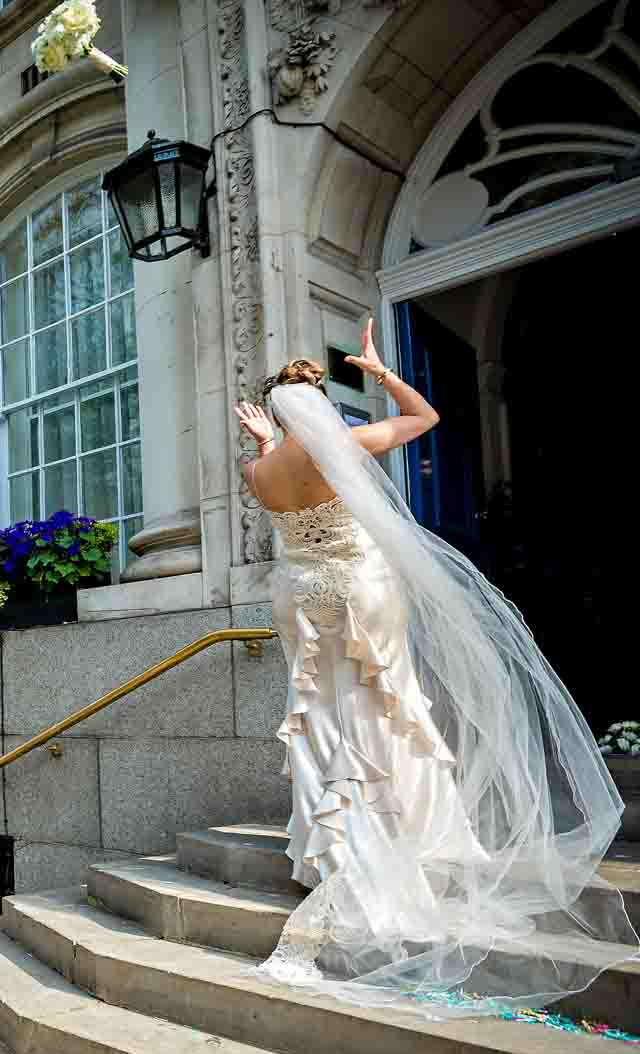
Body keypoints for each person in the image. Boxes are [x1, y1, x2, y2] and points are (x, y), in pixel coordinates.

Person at [234, 316, 636, 1014]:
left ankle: (332, 845)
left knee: (323, 710)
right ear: (322, 409)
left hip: (301, 598)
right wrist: (380, 373)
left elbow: (282, 475)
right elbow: (427, 417)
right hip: (361, 586)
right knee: (389, 700)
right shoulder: (350, 445)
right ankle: (408, 830)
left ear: (273, 418)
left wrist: (268, 441)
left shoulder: (258, 469)